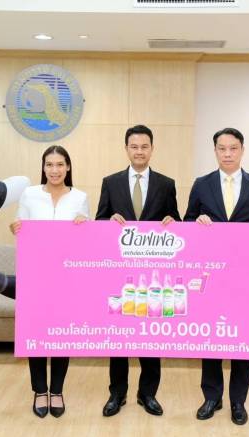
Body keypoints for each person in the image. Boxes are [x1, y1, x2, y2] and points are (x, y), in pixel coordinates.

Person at [184, 127, 249, 426]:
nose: (227, 154)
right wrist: (196, 222)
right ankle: (211, 397)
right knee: (211, 338)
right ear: (215, 151)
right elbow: (187, 224)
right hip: (211, 278)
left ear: (242, 150)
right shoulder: (202, 185)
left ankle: (238, 401)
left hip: (246, 280)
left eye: (233, 148)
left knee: (243, 339)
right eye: (222, 148)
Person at [95, 124, 181, 417]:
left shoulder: (166, 184)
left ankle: (148, 394)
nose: (139, 151)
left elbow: (177, 222)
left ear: (152, 149)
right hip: (120, 273)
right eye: (134, 146)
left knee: (150, 334)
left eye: (145, 146)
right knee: (119, 335)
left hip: (154, 272)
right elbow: (99, 221)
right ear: (126, 149)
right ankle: (117, 394)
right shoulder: (111, 182)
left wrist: (172, 222)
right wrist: (108, 223)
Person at [10, 145, 89, 418]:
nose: (54, 170)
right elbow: (20, 227)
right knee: (37, 334)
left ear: (68, 167)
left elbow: (87, 240)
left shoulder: (80, 197)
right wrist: (15, 227)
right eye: (49, 165)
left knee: (61, 335)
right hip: (35, 276)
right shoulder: (30, 194)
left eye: (59, 164)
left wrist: (85, 224)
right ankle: (39, 390)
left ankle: (56, 391)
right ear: (43, 167)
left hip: (67, 279)